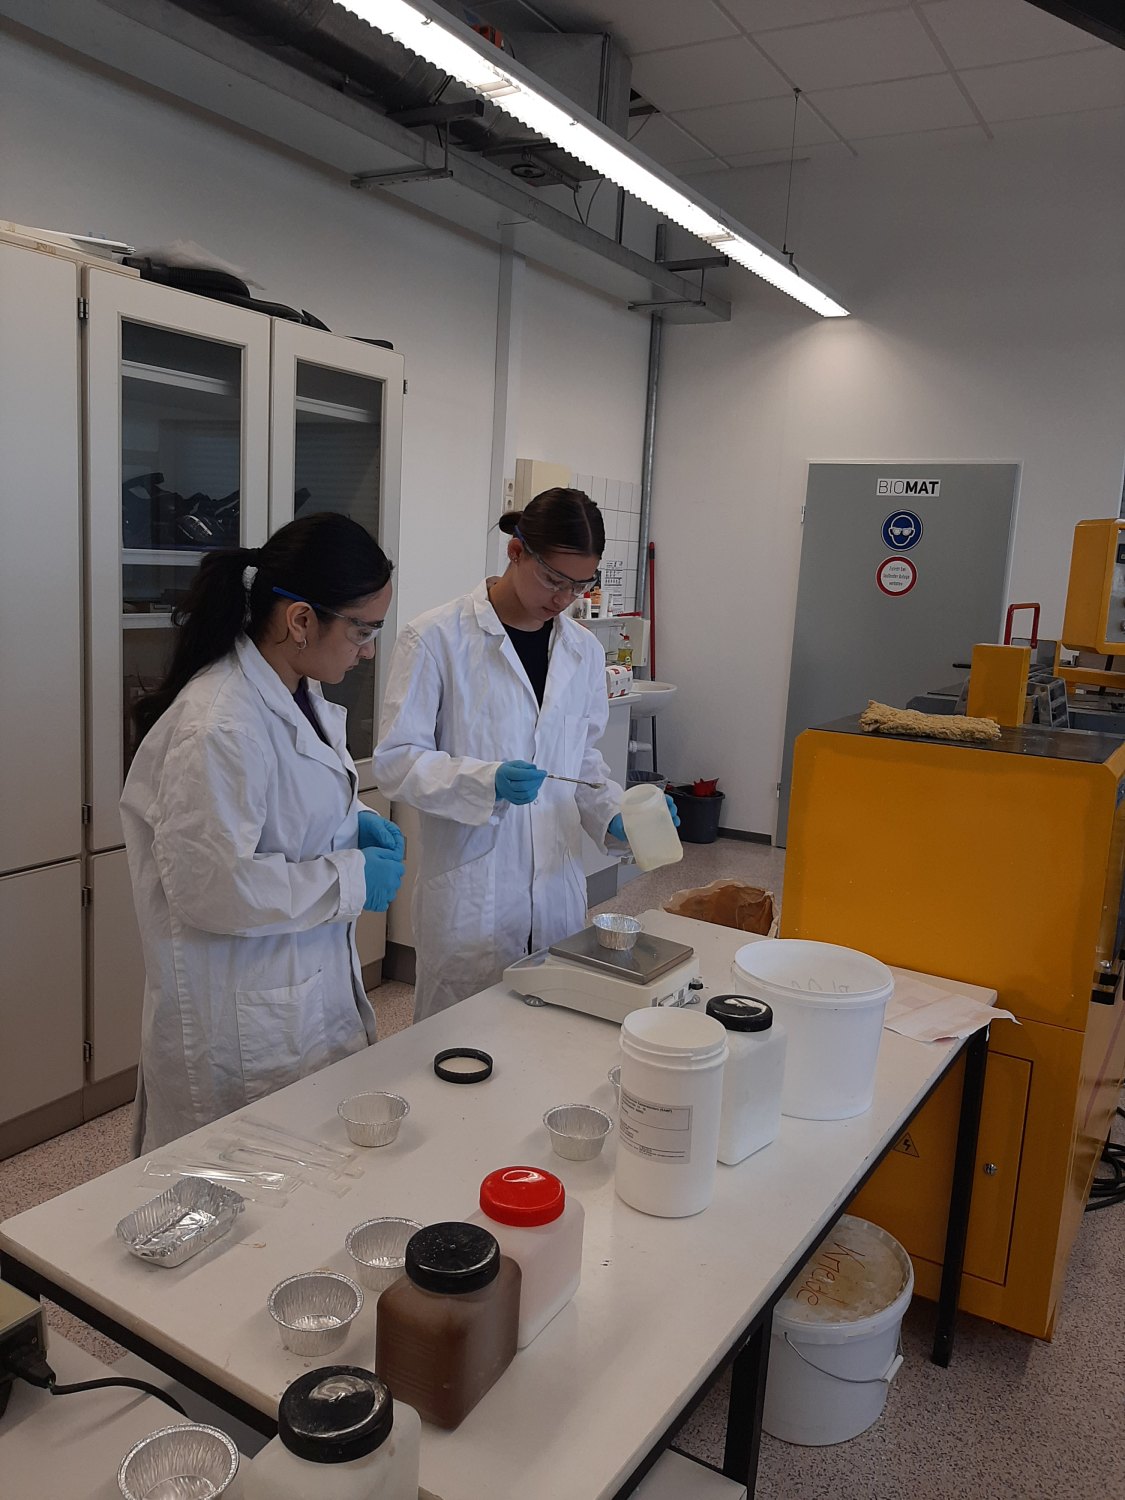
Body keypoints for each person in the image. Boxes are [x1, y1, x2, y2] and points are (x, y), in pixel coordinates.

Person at [122, 512, 405, 1153]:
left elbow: (280, 815)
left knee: (310, 1174)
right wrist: (351, 877)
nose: (368, 650)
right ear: (301, 620)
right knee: (238, 1187)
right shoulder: (219, 724)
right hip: (241, 1026)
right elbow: (213, 890)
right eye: (362, 630)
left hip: (295, 994)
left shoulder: (295, 688)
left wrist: (350, 824)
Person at [372, 487, 678, 1020]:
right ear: (516, 552)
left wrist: (617, 814)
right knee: (461, 1041)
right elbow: (397, 762)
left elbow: (582, 763)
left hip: (556, 895)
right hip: (474, 897)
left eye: (580, 585)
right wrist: (483, 781)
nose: (564, 598)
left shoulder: (582, 651)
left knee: (550, 1036)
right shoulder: (435, 639)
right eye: (554, 579)